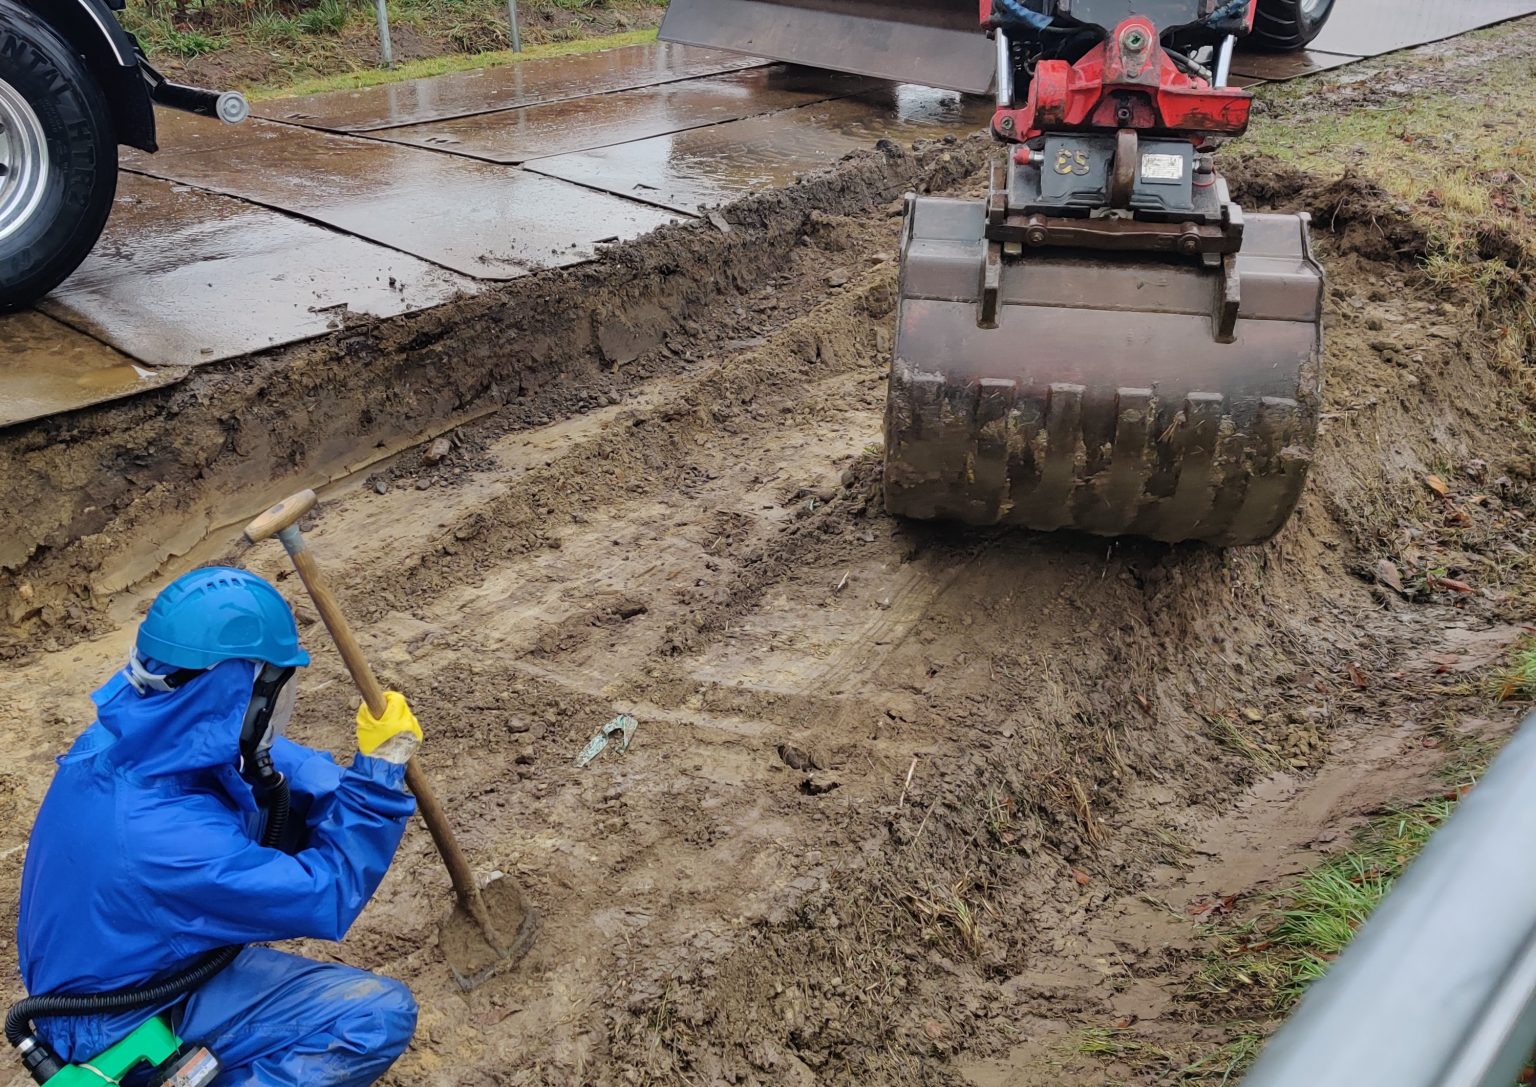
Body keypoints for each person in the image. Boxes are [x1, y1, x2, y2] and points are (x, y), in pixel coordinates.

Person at [16, 566, 424, 1086]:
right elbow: (327, 894)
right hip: (117, 1025)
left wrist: (342, 787)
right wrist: (377, 781)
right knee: (372, 1017)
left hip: (118, 970)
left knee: (280, 811)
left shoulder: (137, 738)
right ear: (240, 693)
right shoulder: (168, 841)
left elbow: (264, 763)